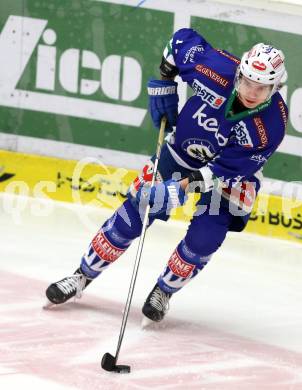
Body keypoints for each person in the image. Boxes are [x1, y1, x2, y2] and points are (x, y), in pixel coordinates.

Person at [46, 28, 288, 322]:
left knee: (205, 238)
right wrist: (163, 85)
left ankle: (164, 291)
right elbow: (179, 42)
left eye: (261, 88)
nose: (251, 92)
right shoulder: (215, 69)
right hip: (181, 152)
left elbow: (224, 172)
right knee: (133, 214)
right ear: (239, 73)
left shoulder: (271, 125)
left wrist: (178, 189)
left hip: (230, 177)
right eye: (248, 82)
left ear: (275, 87)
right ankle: (81, 277)